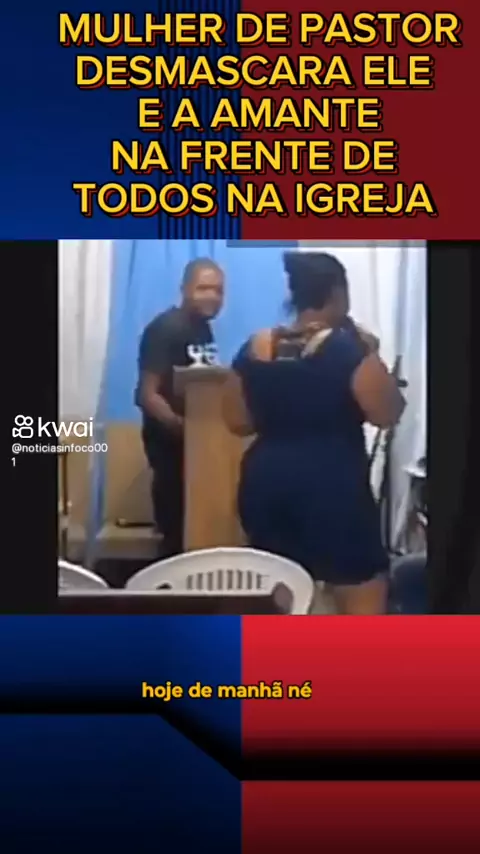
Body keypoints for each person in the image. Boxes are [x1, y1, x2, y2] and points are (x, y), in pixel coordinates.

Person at [222, 252, 405, 615]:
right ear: (338, 292)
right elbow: (387, 412)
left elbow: (237, 421)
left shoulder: (254, 347)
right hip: (332, 487)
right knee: (361, 591)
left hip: (265, 484)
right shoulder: (347, 349)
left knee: (279, 595)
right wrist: (372, 355)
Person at [136, 258, 224, 557]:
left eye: (218, 290)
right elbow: (147, 395)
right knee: (175, 540)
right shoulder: (165, 329)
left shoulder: (203, 329)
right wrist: (186, 430)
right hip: (170, 450)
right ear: (184, 289)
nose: (212, 296)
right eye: (203, 288)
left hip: (199, 453)